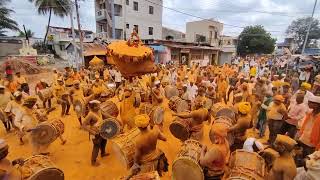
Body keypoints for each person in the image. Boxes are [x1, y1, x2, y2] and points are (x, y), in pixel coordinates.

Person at [82, 100, 109, 166]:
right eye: (97, 106)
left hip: (102, 130)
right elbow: (84, 125)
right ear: (93, 107)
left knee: (104, 141)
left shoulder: (99, 110)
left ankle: (103, 153)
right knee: (96, 146)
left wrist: (113, 118)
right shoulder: (90, 115)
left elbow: (105, 114)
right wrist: (93, 132)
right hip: (95, 133)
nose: (99, 106)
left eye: (99, 105)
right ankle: (93, 161)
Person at [298, 94, 320, 159]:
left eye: (311, 103)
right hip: (303, 139)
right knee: (299, 158)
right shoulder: (310, 113)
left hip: (312, 144)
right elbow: (305, 125)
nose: (309, 103)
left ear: (318, 105)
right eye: (309, 102)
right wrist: (300, 134)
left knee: (307, 161)